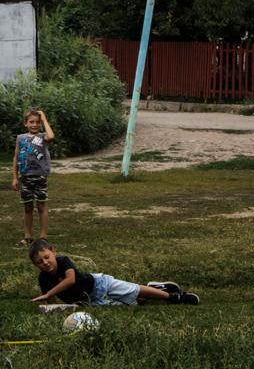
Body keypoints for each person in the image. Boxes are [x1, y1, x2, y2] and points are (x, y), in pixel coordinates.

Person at [28, 239, 199, 306]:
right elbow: (52, 305)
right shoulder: (43, 279)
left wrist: (49, 293)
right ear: (35, 265)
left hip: (100, 284)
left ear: (54, 252)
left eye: (47, 257)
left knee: (134, 290)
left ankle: (176, 298)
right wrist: (69, 308)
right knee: (138, 301)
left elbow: (70, 280)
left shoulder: (63, 261)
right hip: (90, 302)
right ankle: (155, 288)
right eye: (39, 262)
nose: (45, 263)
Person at [12, 108, 55, 246]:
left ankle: (43, 237)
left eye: (37, 122)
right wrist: (15, 177)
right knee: (27, 207)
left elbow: (51, 136)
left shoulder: (43, 137)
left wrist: (45, 119)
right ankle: (28, 236)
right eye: (31, 122)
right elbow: (16, 157)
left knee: (41, 206)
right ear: (25, 123)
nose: (34, 125)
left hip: (40, 176)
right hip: (25, 176)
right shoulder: (20, 138)